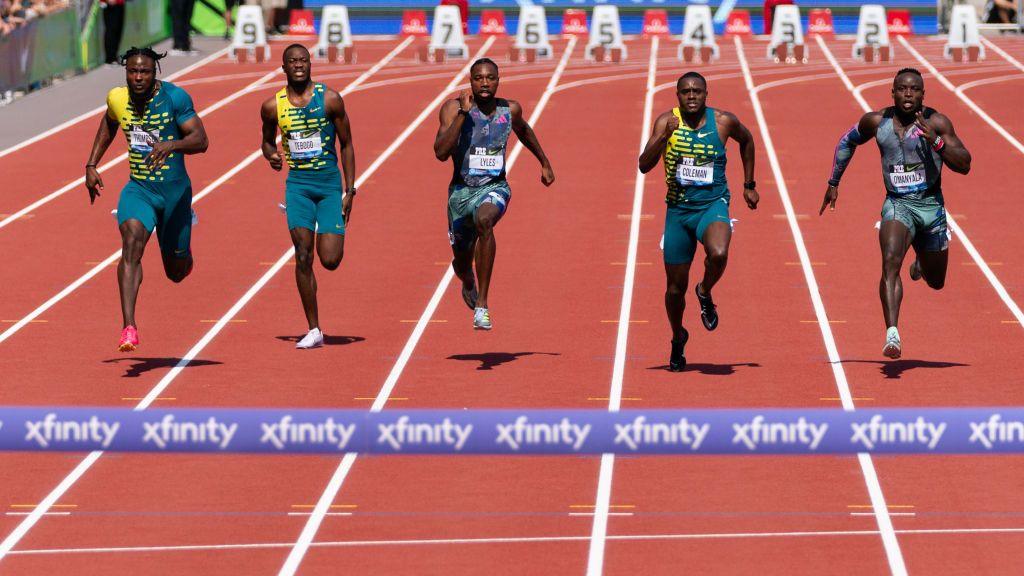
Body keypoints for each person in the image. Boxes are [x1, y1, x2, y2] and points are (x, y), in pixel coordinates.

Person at [821, 68, 971, 359]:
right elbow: (846, 141)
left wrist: (936, 142)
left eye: (914, 89)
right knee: (890, 260)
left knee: (936, 281)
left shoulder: (937, 122)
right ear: (892, 92)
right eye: (902, 88)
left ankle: (921, 267)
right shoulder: (877, 121)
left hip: (930, 207)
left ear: (923, 95)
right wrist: (833, 182)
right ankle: (892, 333)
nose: (908, 94)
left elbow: (965, 164)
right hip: (897, 204)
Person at [84, 47, 209, 352]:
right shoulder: (117, 98)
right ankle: (129, 327)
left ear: (156, 74)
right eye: (133, 72)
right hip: (139, 189)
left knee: (176, 271)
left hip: (175, 193)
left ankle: (182, 245)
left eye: (145, 72)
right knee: (131, 242)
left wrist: (173, 144)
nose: (138, 77)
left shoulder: (175, 98)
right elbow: (109, 123)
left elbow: (201, 140)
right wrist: (91, 165)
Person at [638, 71, 758, 372]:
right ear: (677, 96)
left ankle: (704, 291)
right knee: (675, 290)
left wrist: (748, 184)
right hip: (678, 211)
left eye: (697, 91)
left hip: (712, 205)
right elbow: (643, 165)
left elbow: (748, 140)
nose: (691, 96)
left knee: (718, 253)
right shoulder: (666, 122)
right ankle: (678, 336)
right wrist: (664, 137)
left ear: (706, 94)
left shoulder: (723, 121)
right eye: (685, 92)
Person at [433, 58, 554, 330]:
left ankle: (482, 305)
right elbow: (440, 152)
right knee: (463, 259)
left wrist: (544, 161)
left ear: (498, 80)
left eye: (490, 78)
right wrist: (464, 115)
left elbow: (524, 131)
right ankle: (466, 279)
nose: (485, 83)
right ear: (470, 81)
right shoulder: (453, 109)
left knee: (485, 222)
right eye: (478, 78)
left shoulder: (509, 110)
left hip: (495, 187)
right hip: (460, 194)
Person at [260, 44, 356, 349]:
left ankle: (327, 232)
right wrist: (272, 155)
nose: (298, 65)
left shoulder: (330, 99)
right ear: (284, 67)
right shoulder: (272, 107)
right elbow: (265, 143)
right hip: (298, 186)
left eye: (303, 60)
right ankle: (314, 329)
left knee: (329, 259)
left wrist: (350, 189)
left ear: (310, 64)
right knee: (302, 254)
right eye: (292, 61)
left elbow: (347, 144)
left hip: (328, 186)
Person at [102, 0, 126, 65]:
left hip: (120, 3)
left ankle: (115, 56)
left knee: (118, 30)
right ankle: (110, 58)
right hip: (109, 4)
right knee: (111, 30)